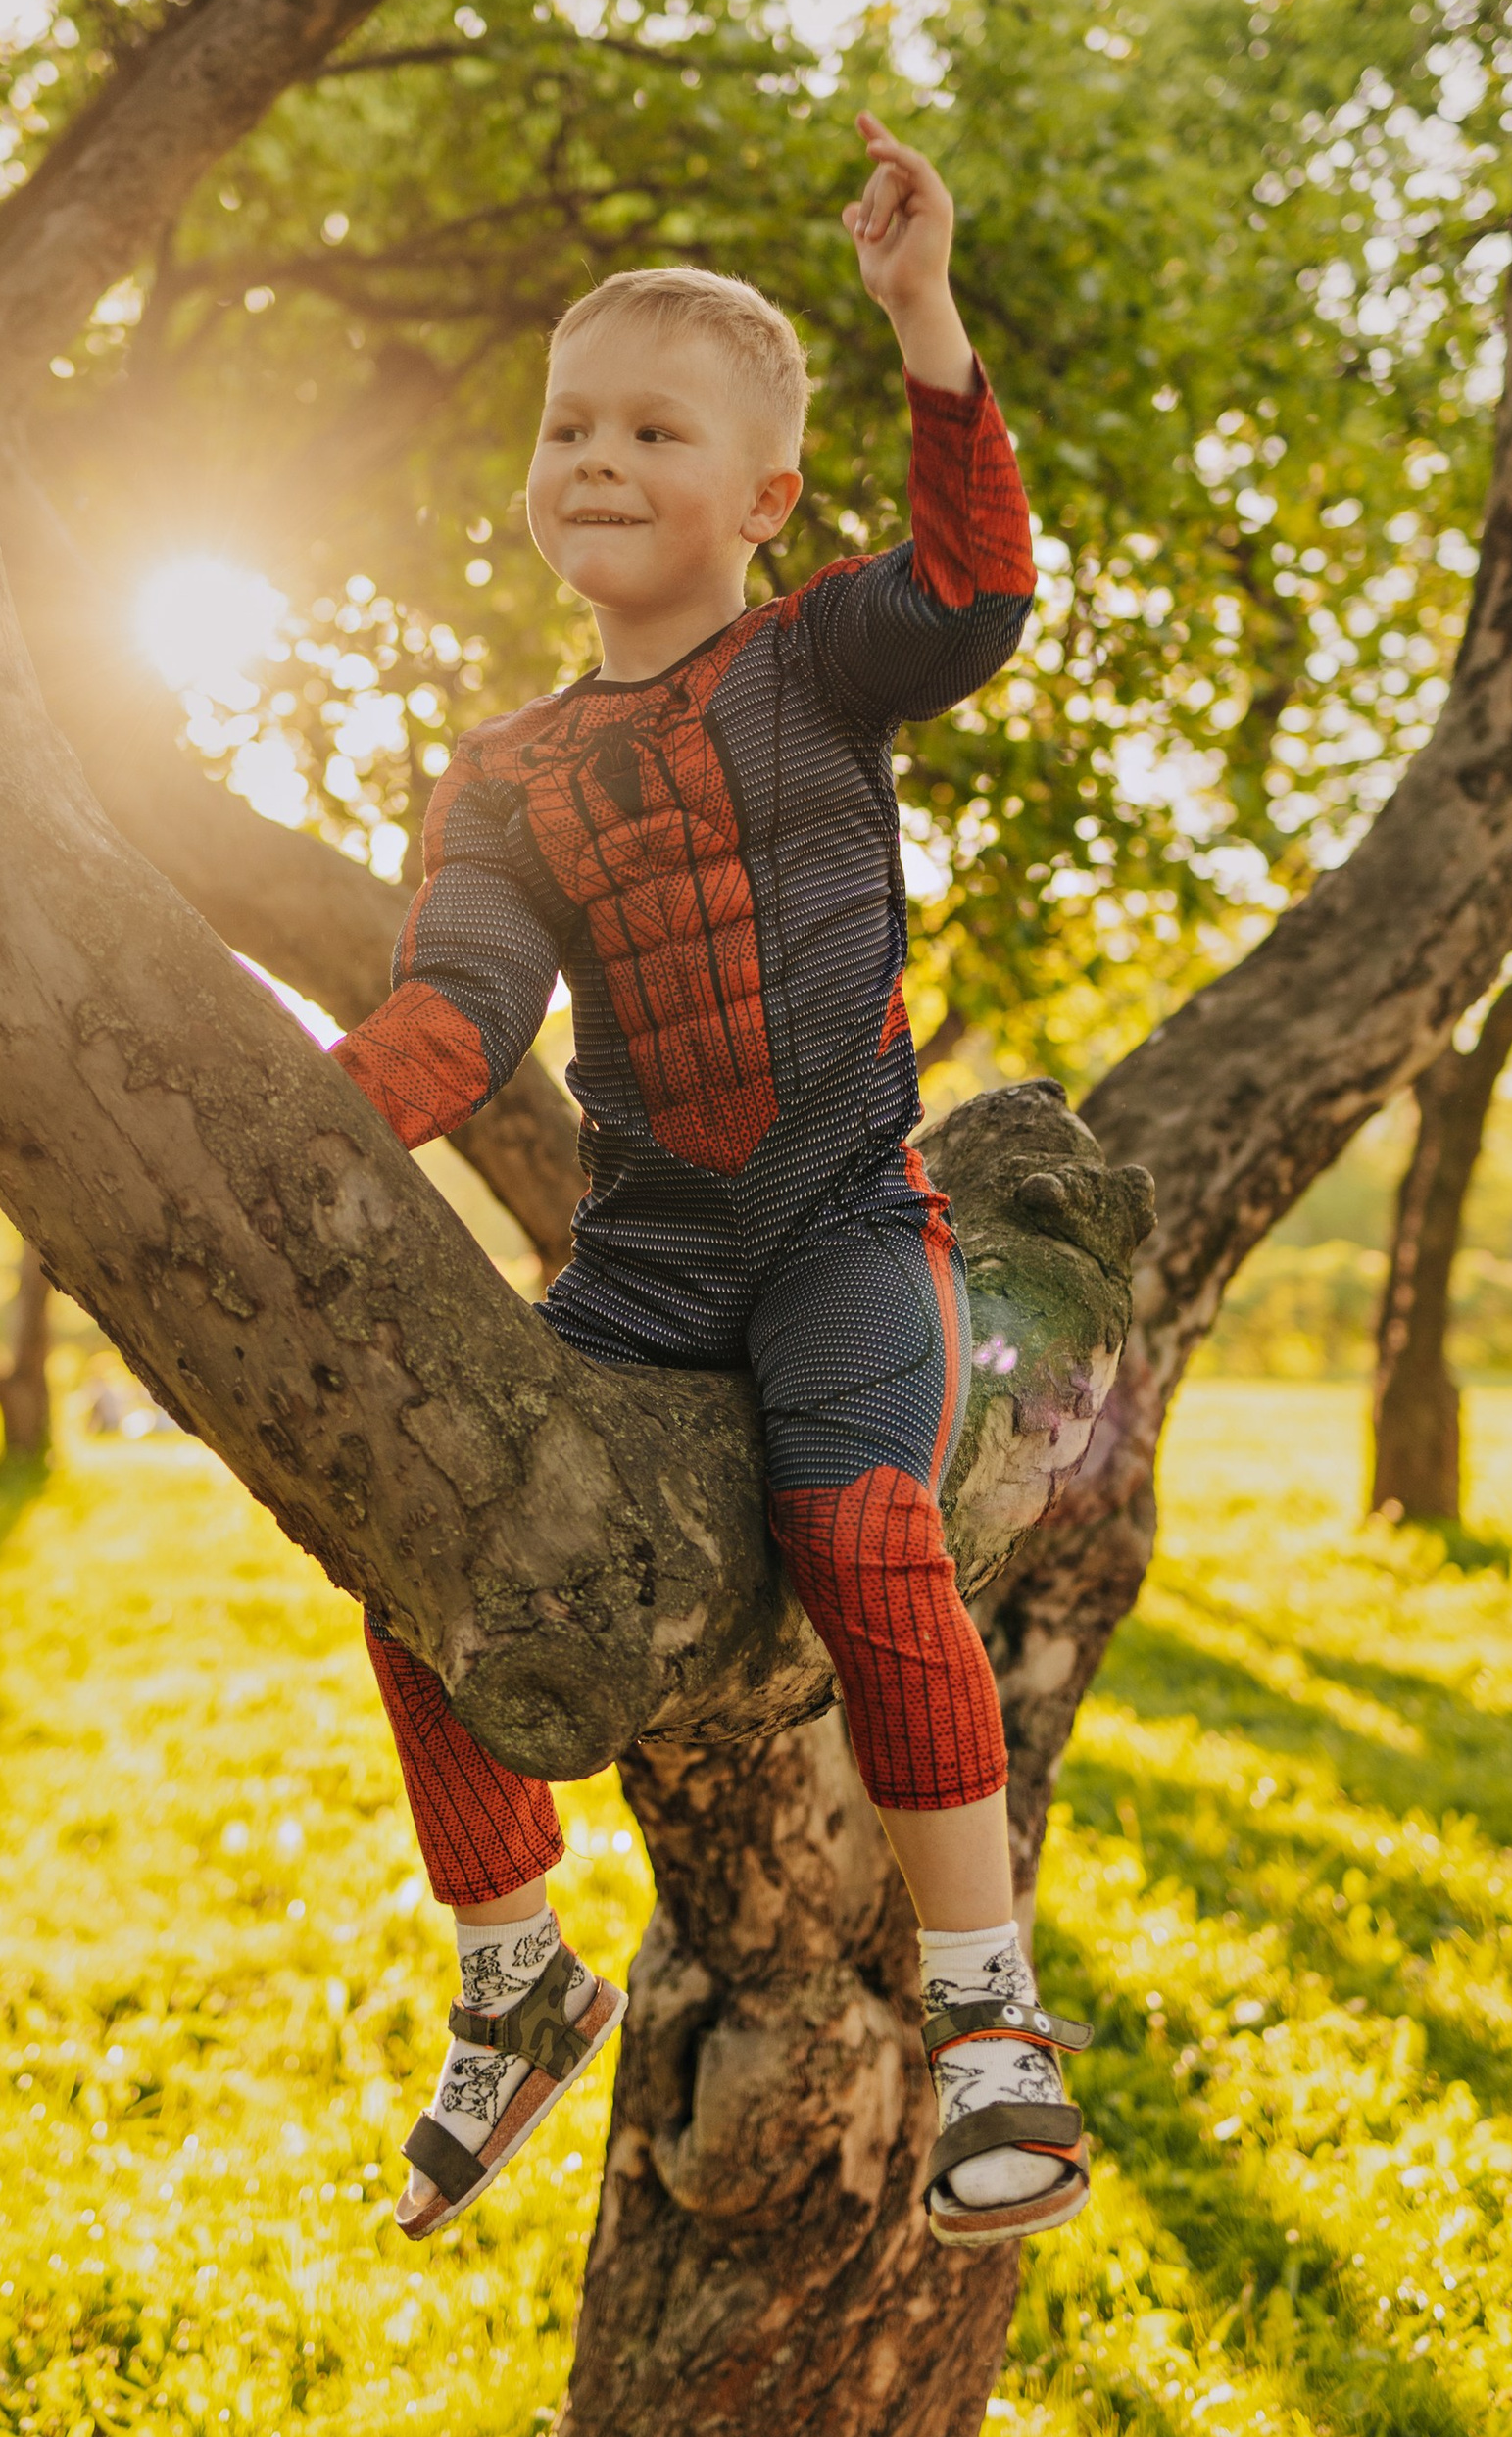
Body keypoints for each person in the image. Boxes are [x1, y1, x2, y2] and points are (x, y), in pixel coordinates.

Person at [333, 117, 1091, 2250]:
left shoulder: (819, 658)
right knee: (412, 1531)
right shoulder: (496, 773)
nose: (591, 457)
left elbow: (979, 591)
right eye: (565, 424)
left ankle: (988, 2028)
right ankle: (511, 1971)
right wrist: (303, 1105)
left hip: (845, 1221)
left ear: (761, 499)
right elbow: (458, 1012)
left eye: (651, 429)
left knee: (860, 1535)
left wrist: (918, 318)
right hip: (646, 1254)